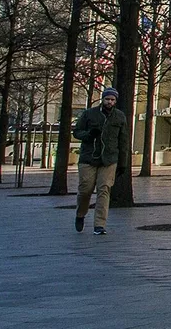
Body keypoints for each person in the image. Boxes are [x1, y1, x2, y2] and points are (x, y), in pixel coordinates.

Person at [74, 88, 128, 235]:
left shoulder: (120, 117)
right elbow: (76, 132)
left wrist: (123, 162)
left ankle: (99, 225)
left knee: (104, 190)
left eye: (112, 100)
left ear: (115, 101)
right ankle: (80, 214)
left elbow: (123, 141)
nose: (109, 102)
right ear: (102, 99)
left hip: (109, 159)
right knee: (85, 189)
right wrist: (88, 135)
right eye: (107, 99)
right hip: (88, 158)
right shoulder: (89, 114)